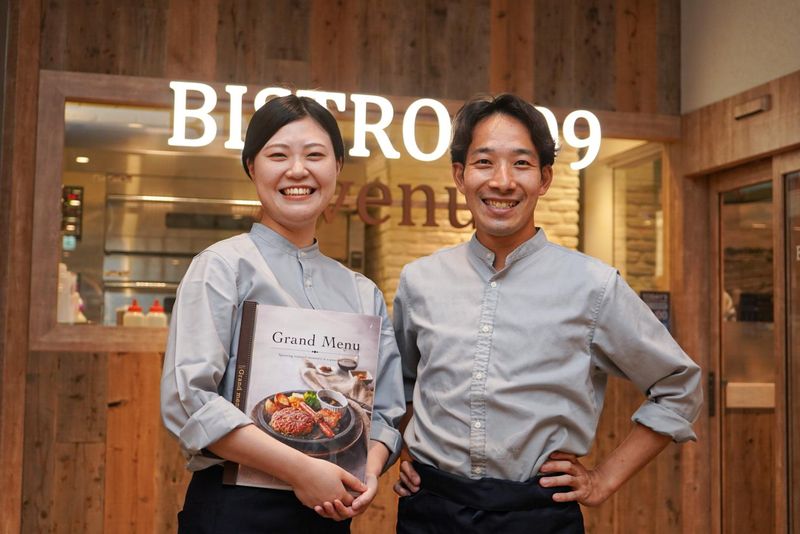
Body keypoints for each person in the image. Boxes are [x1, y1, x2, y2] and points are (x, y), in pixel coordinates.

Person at [392, 93, 702, 533]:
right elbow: (401, 384)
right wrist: (405, 449)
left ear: (545, 178)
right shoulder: (420, 280)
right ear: (460, 175)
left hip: (537, 512)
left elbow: (678, 385)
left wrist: (604, 479)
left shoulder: (593, 285)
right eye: (484, 162)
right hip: (431, 509)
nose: (502, 181)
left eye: (521, 163)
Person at [160, 95, 405, 533]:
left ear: (337, 167)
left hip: (330, 510)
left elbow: (384, 411)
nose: (297, 171)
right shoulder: (221, 267)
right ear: (251, 167)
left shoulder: (361, 292)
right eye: (278, 155)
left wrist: (368, 472)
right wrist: (301, 470)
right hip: (234, 512)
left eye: (315, 155)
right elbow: (190, 400)